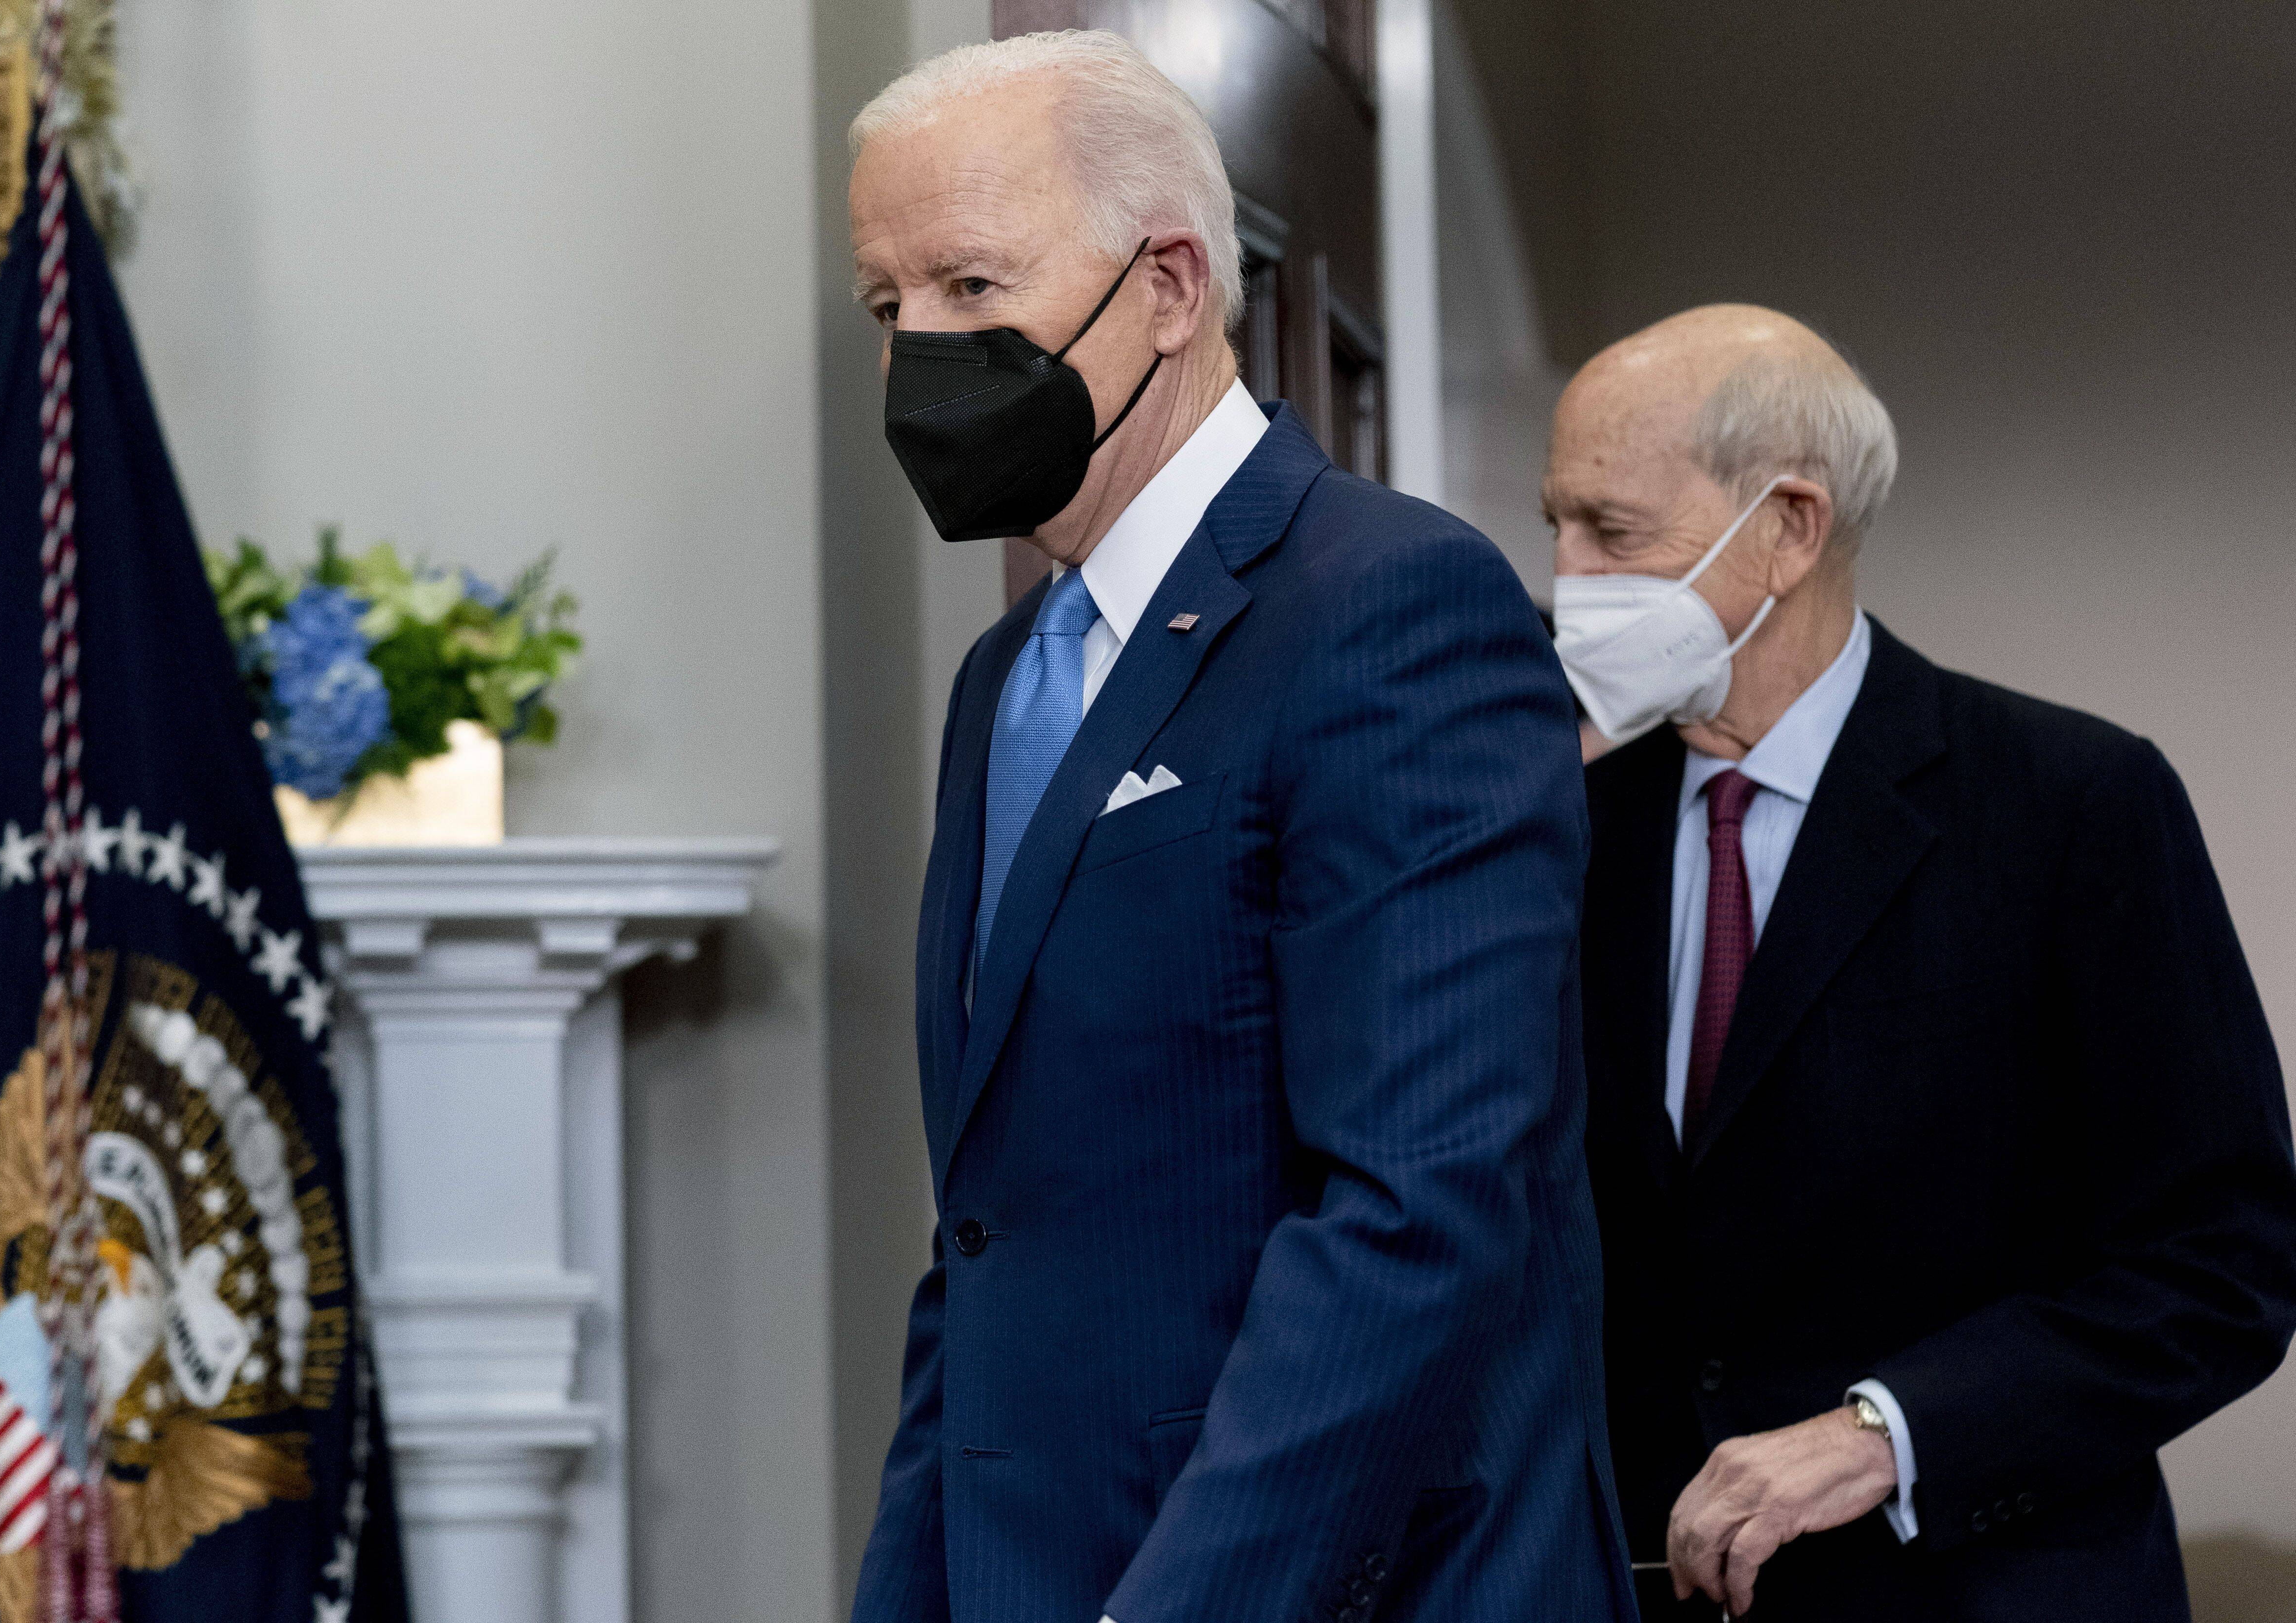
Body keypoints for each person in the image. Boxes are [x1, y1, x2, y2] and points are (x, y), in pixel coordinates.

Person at [847, 30, 1634, 1623]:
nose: (917, 351)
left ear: (1168, 285)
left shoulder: (1393, 604)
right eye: (885, 305)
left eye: (971, 286)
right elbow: (990, 1237)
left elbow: (1419, 1206)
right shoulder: (1006, 676)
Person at [1546, 303, 2296, 1621]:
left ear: (1787, 527)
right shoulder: (1567, 824)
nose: (1565, 575)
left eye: (1609, 530)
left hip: (1980, 1587)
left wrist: (1884, 1432)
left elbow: (2221, 1262)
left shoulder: (2071, 803)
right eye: (1554, 523)